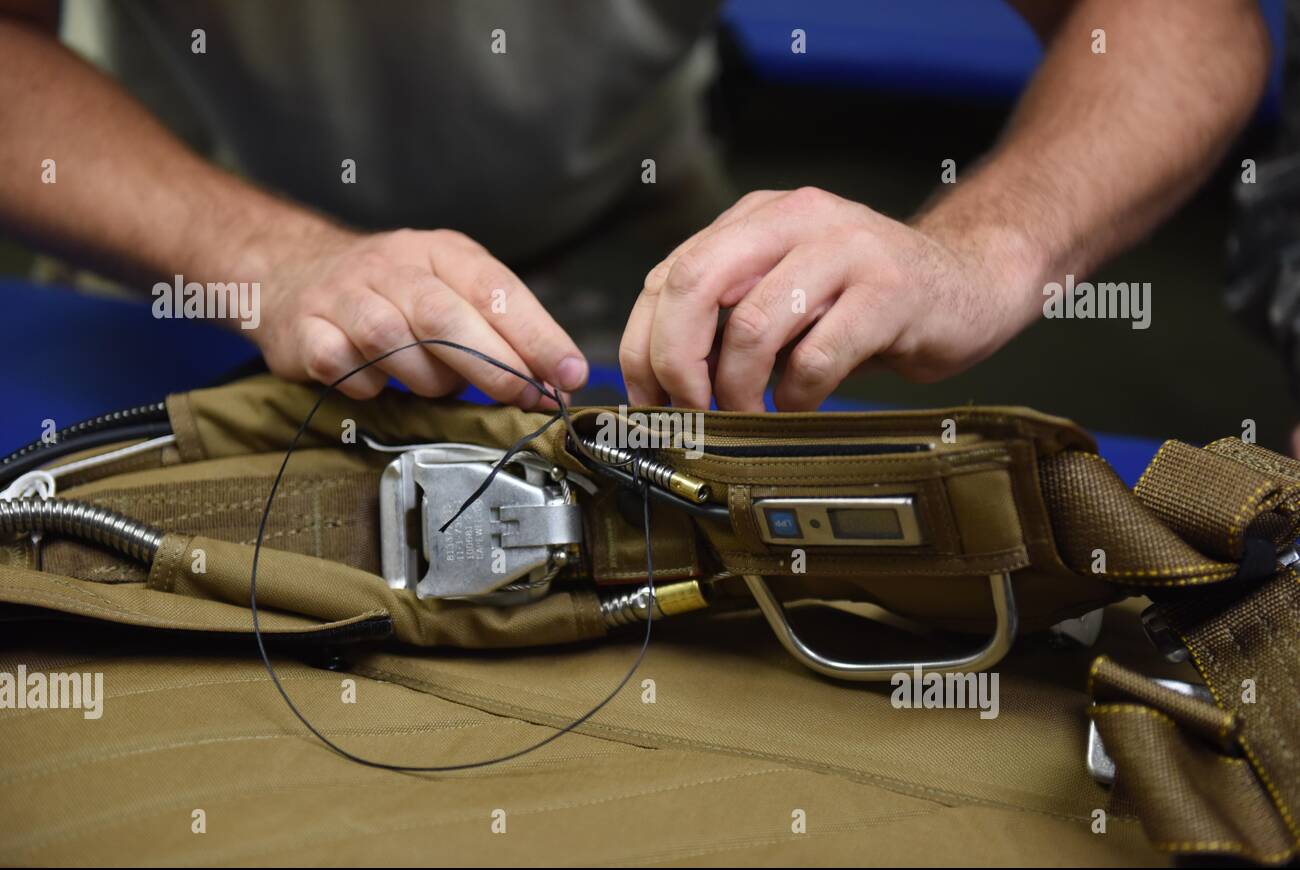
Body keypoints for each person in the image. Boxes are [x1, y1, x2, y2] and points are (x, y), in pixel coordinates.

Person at [0, 0, 1272, 412]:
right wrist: (265, 256)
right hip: (179, 288)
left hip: (651, 291)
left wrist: (980, 251)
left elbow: (1179, 23)